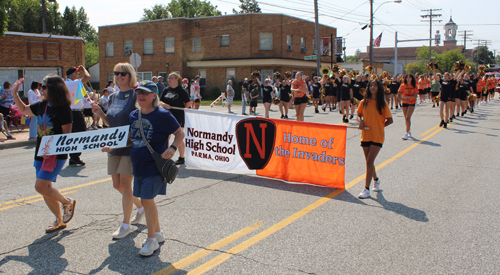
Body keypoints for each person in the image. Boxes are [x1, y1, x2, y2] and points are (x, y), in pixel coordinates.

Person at [11, 76, 76, 232]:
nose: (41, 89)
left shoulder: (63, 109)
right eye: (41, 86)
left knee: (40, 187)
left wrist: (52, 150)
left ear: (54, 89)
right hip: (40, 153)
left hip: (55, 155)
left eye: (44, 87)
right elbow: (24, 110)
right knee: (45, 189)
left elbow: (66, 136)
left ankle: (67, 202)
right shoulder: (42, 106)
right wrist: (15, 94)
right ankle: (59, 220)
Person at [127, 81, 184, 256]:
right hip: (138, 166)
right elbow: (131, 139)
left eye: (146, 92)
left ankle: (151, 241)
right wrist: (111, 146)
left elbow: (180, 133)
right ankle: (158, 233)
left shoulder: (163, 115)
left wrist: (173, 148)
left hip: (154, 167)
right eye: (139, 92)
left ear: (154, 95)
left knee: (147, 202)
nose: (141, 96)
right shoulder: (133, 115)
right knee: (146, 201)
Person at [92, 63, 145, 239]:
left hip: (129, 146)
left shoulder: (135, 96)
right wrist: (99, 112)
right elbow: (109, 123)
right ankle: (140, 206)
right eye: (116, 73)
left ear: (130, 75)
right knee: (117, 185)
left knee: (125, 185)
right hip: (112, 146)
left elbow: (139, 122)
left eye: (123, 73)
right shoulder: (114, 96)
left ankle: (125, 225)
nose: (119, 76)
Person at [357, 80, 393, 199]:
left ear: (379, 88)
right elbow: (359, 115)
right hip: (366, 135)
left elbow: (390, 120)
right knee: (369, 161)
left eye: (375, 86)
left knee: (369, 161)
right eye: (371, 85)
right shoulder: (364, 102)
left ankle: (366, 189)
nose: (373, 87)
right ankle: (376, 180)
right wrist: (360, 121)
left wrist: (379, 126)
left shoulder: (383, 104)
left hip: (377, 136)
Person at [159, 72, 192, 165]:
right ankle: (165, 155)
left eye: (171, 78)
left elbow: (188, 103)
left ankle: (181, 157)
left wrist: (183, 110)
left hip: (178, 116)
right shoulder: (166, 90)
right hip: (166, 115)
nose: (169, 80)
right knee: (166, 136)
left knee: (179, 136)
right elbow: (160, 101)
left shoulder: (181, 90)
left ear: (177, 79)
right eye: (168, 78)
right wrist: (164, 104)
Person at [65, 66, 91, 166]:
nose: (78, 75)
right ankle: (74, 156)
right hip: (74, 112)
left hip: (71, 111)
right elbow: (88, 77)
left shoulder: (68, 83)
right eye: (76, 73)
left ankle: (74, 156)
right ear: (72, 75)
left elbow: (82, 95)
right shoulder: (73, 83)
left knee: (74, 134)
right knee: (80, 133)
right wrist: (83, 68)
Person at [398, 74, 418, 140]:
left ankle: (406, 133)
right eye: (407, 78)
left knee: (407, 117)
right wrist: (403, 99)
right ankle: (408, 130)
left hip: (412, 102)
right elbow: (399, 95)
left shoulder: (414, 86)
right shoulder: (403, 85)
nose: (408, 79)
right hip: (404, 103)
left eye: (410, 78)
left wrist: (407, 97)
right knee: (406, 118)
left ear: (412, 79)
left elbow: (415, 96)